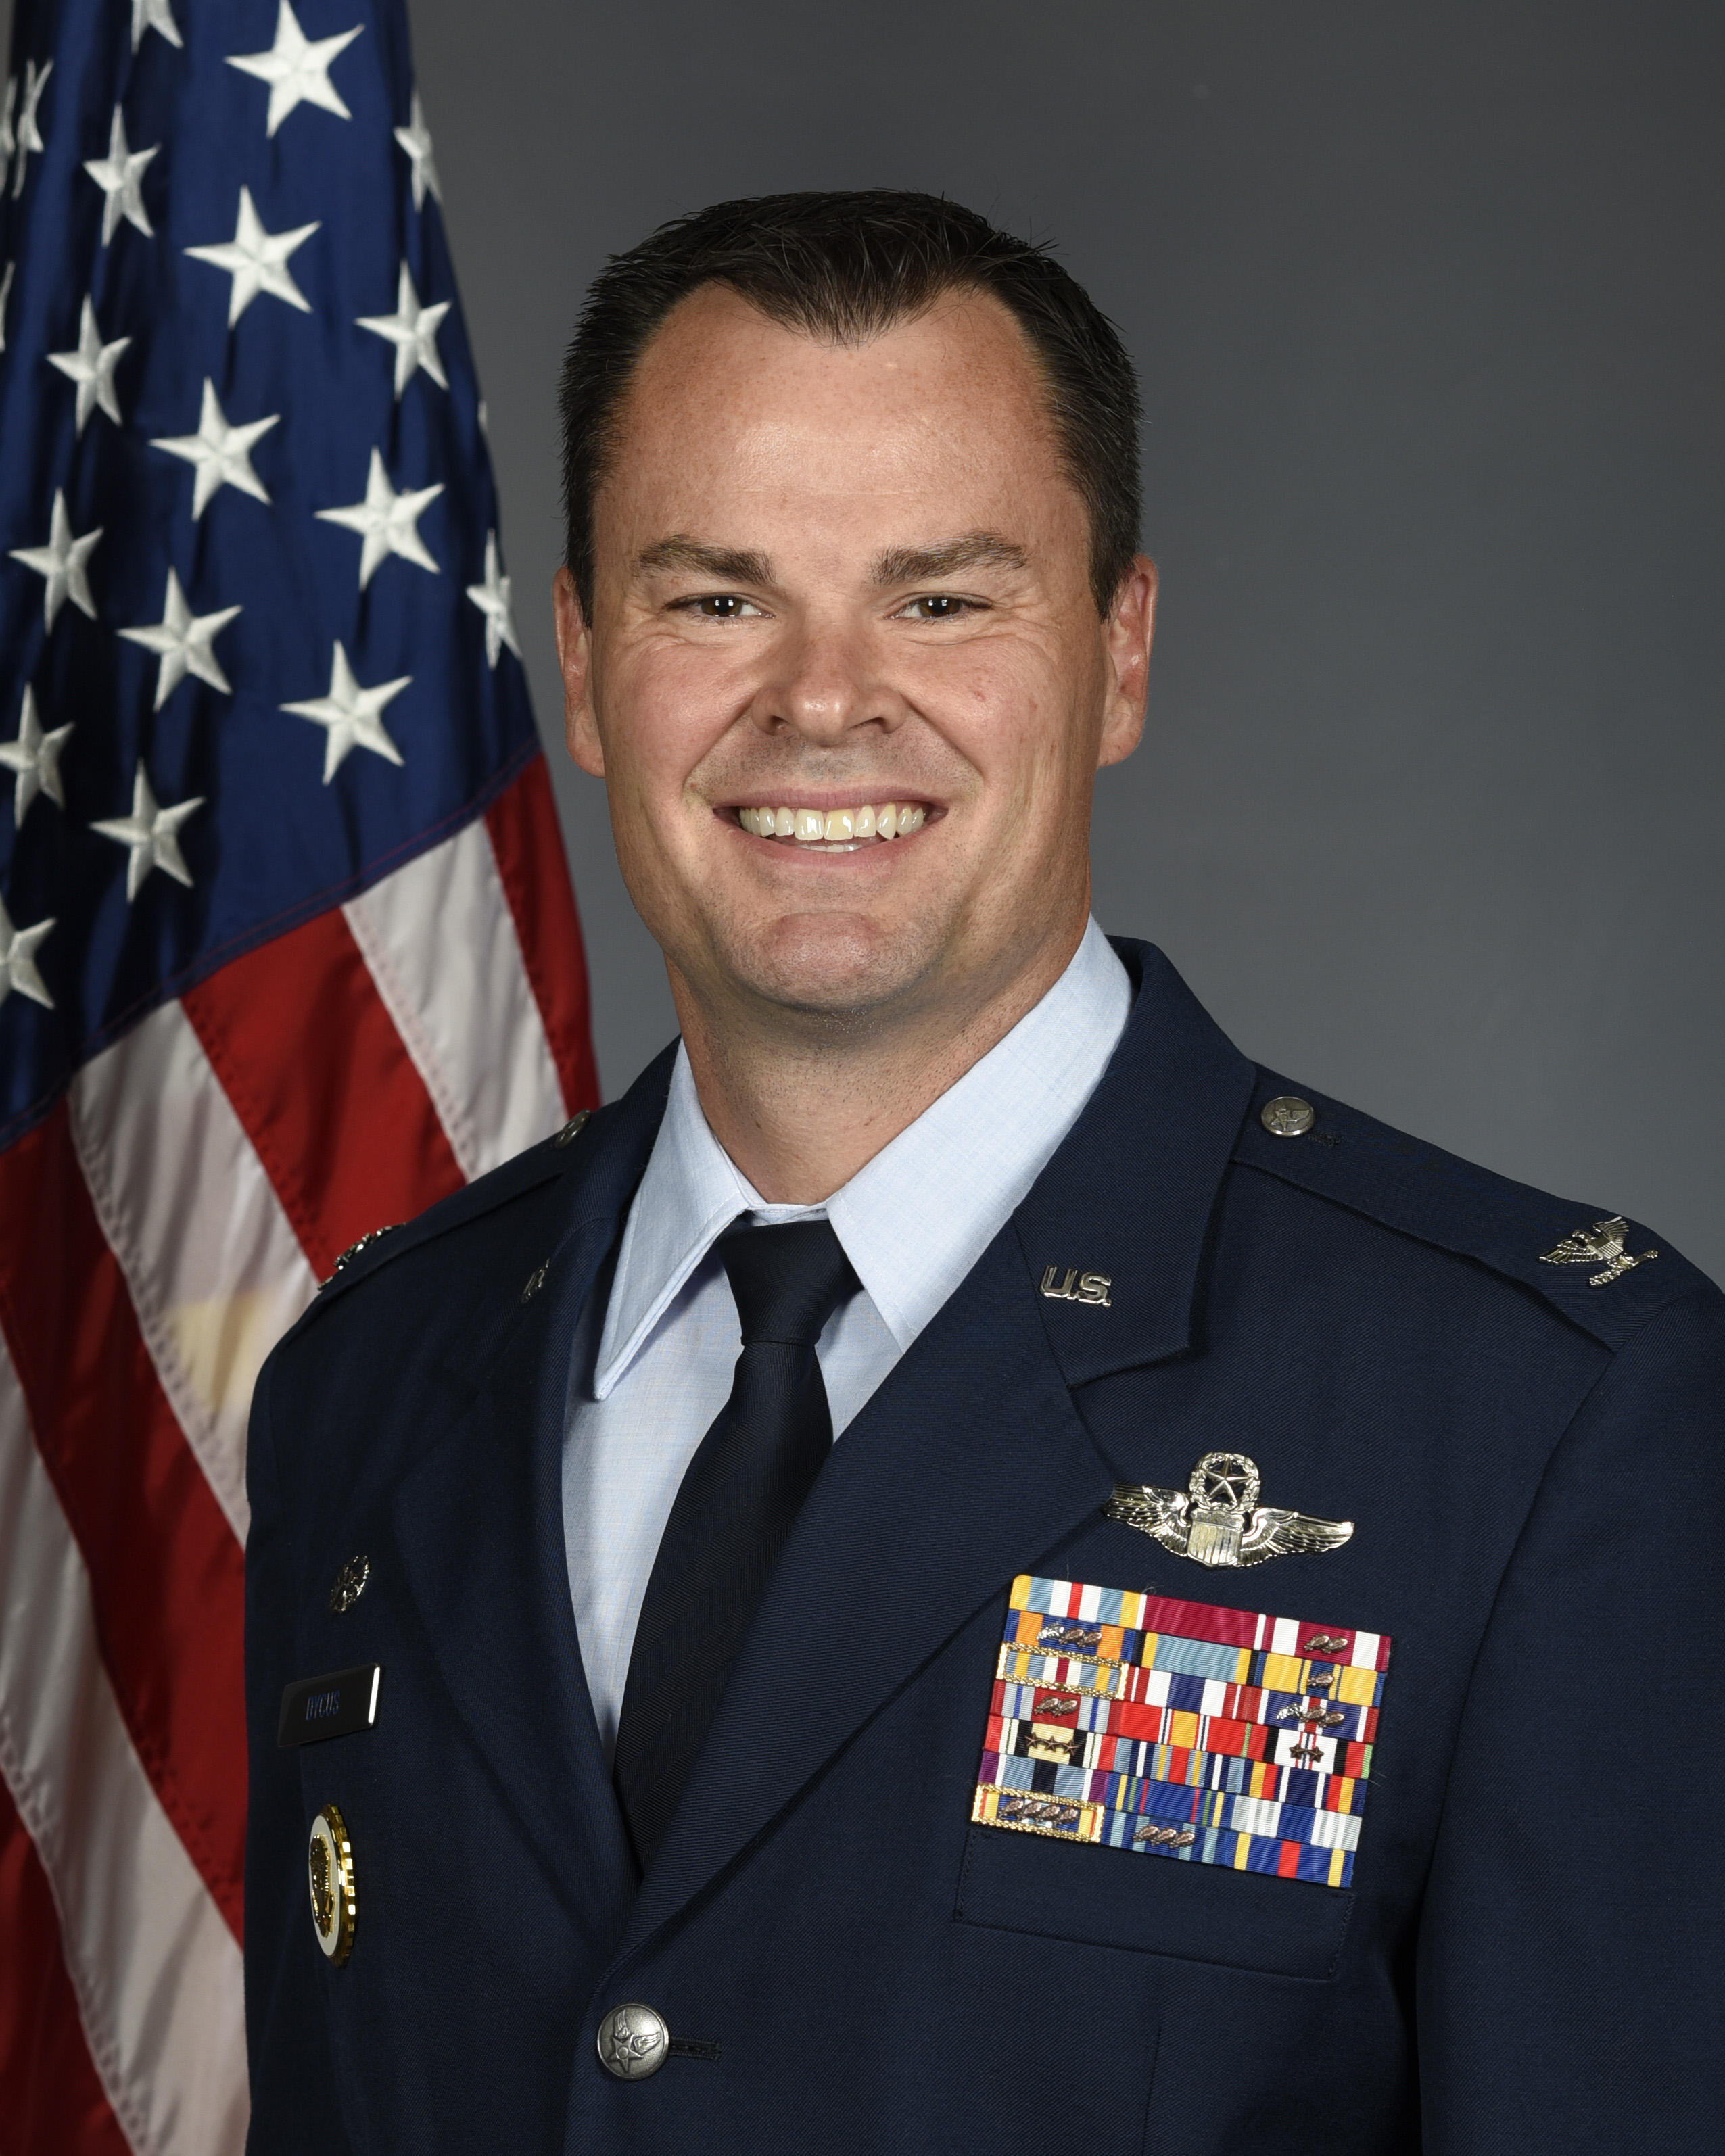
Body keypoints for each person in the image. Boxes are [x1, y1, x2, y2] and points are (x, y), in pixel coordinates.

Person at [243, 192, 1720, 2155]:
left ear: (1121, 651)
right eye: (716, 600)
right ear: (582, 665)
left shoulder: (1536, 1414)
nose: (823, 698)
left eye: (941, 601)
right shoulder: (371, 1377)